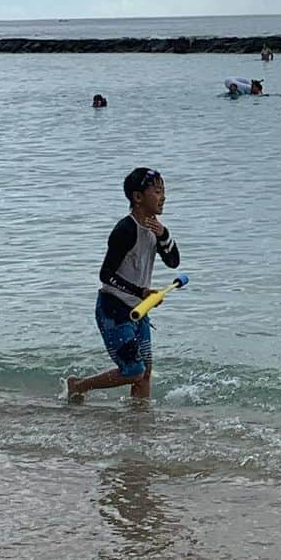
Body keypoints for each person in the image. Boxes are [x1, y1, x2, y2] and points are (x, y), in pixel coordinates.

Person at [66, 168, 181, 402]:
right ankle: (78, 385)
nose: (163, 197)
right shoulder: (125, 230)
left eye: (164, 191)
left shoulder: (154, 230)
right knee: (134, 370)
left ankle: (138, 423)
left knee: (145, 372)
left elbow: (173, 261)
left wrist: (164, 235)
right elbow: (105, 274)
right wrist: (141, 292)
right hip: (114, 310)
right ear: (138, 197)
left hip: (139, 311)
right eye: (157, 191)